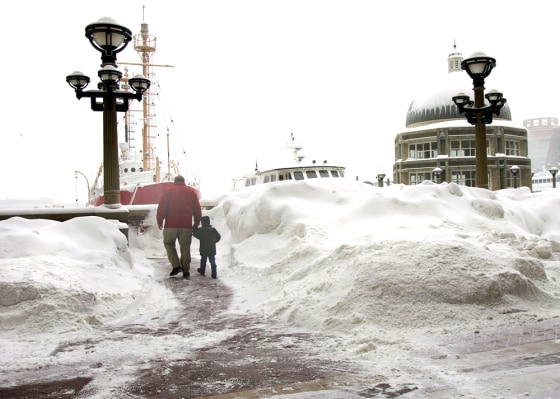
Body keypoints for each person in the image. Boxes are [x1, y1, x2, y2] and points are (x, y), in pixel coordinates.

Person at [156, 175, 202, 279]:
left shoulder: (169, 191)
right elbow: (197, 209)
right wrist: (196, 222)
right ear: (183, 181)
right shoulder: (191, 192)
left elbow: (162, 207)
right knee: (185, 248)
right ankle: (186, 271)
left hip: (170, 226)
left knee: (168, 244)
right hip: (186, 226)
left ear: (175, 182)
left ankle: (176, 266)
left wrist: (160, 220)